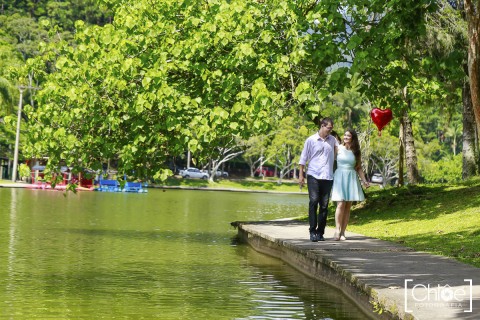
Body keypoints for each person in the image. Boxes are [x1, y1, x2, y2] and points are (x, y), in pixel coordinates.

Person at [299, 118, 339, 242]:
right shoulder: (310, 140)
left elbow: (340, 151)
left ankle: (320, 232)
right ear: (322, 126)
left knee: (324, 205)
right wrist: (301, 175)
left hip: (327, 176)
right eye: (329, 128)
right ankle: (312, 231)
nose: (330, 130)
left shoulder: (333, 140)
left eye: (331, 128)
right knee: (313, 201)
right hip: (313, 175)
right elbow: (303, 158)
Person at [331, 129, 370, 241]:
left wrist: (364, 181)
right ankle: (337, 230)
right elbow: (329, 160)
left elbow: (358, 168)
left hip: (351, 177)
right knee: (340, 204)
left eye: (348, 135)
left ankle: (343, 232)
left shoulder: (356, 151)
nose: (346, 137)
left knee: (347, 206)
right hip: (340, 176)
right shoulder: (338, 148)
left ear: (353, 138)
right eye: (345, 135)